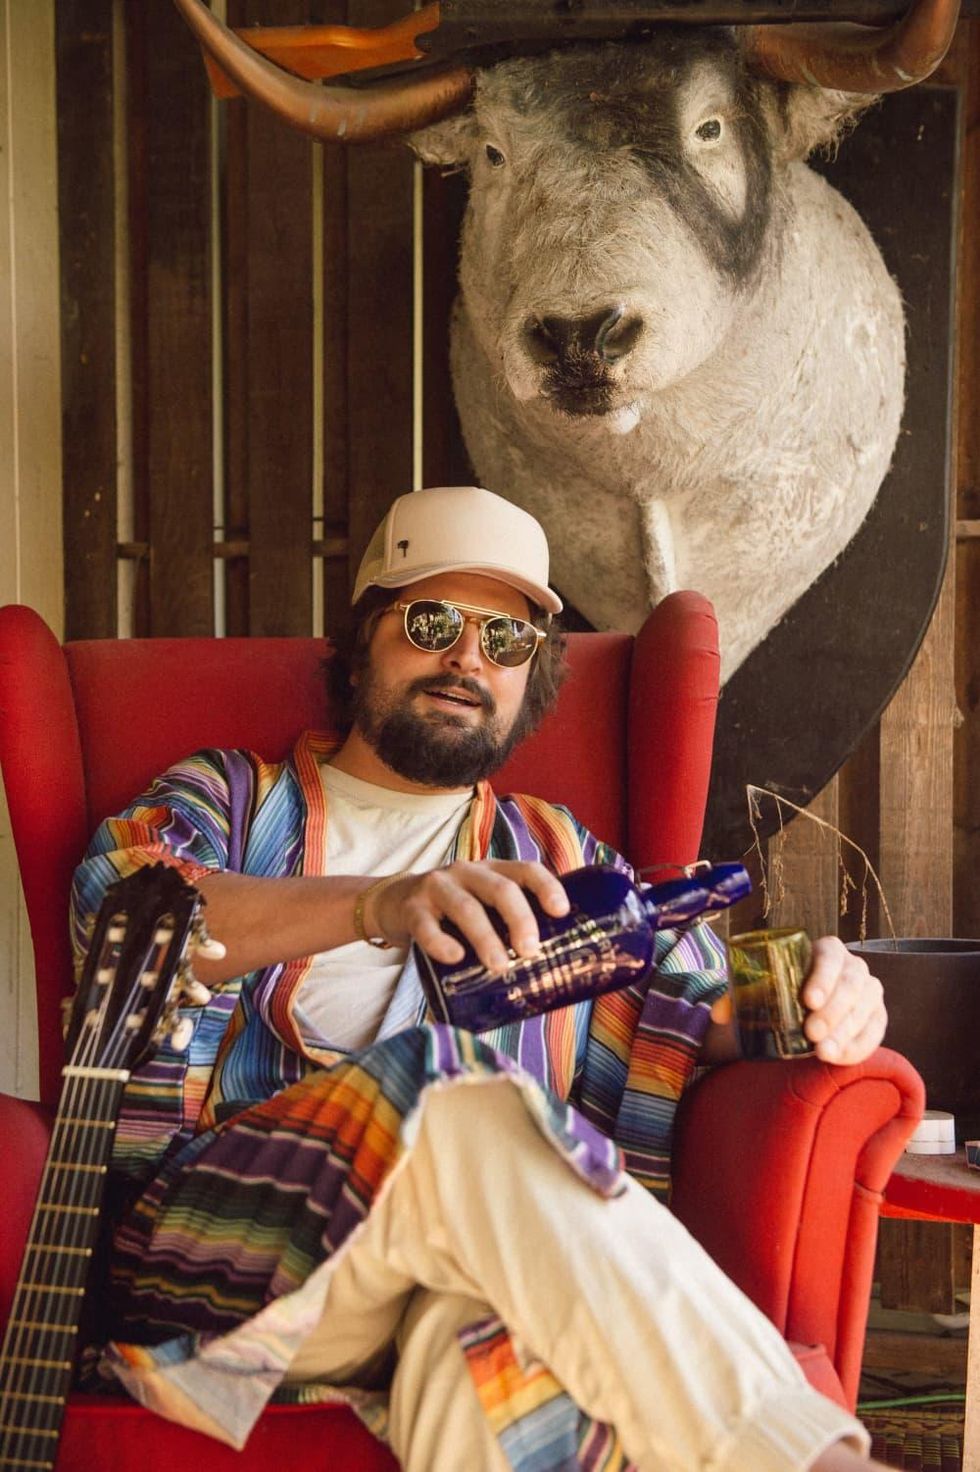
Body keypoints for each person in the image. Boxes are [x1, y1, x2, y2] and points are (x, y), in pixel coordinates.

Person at [73, 485, 889, 1472]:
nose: (468, 656)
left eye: (506, 639)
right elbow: (126, 918)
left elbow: (687, 1005)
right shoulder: (231, 799)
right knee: (449, 1089)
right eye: (433, 622)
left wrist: (815, 997)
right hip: (223, 1256)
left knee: (491, 1351)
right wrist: (381, 902)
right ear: (363, 642)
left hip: (437, 1270)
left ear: (529, 678)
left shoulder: (552, 852)